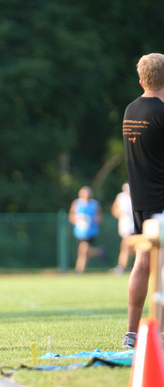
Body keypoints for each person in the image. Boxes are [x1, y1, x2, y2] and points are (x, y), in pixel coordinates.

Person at [121, 53, 164, 349]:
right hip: (161, 199)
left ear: (141, 80)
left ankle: (132, 333)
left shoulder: (130, 110)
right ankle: (159, 332)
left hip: (140, 199)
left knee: (142, 262)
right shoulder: (162, 112)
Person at [68, 186, 104, 274]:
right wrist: (78, 220)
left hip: (91, 231)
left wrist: (97, 219)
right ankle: (98, 252)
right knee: (83, 252)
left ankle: (78, 270)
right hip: (80, 232)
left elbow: (99, 216)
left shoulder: (95, 204)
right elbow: (71, 216)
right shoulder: (76, 203)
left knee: (83, 249)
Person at [111, 183, 134, 275]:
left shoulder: (137, 197)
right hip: (125, 225)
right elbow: (114, 210)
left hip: (134, 226)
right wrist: (120, 213)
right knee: (126, 247)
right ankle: (122, 267)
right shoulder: (121, 197)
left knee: (127, 246)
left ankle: (122, 267)